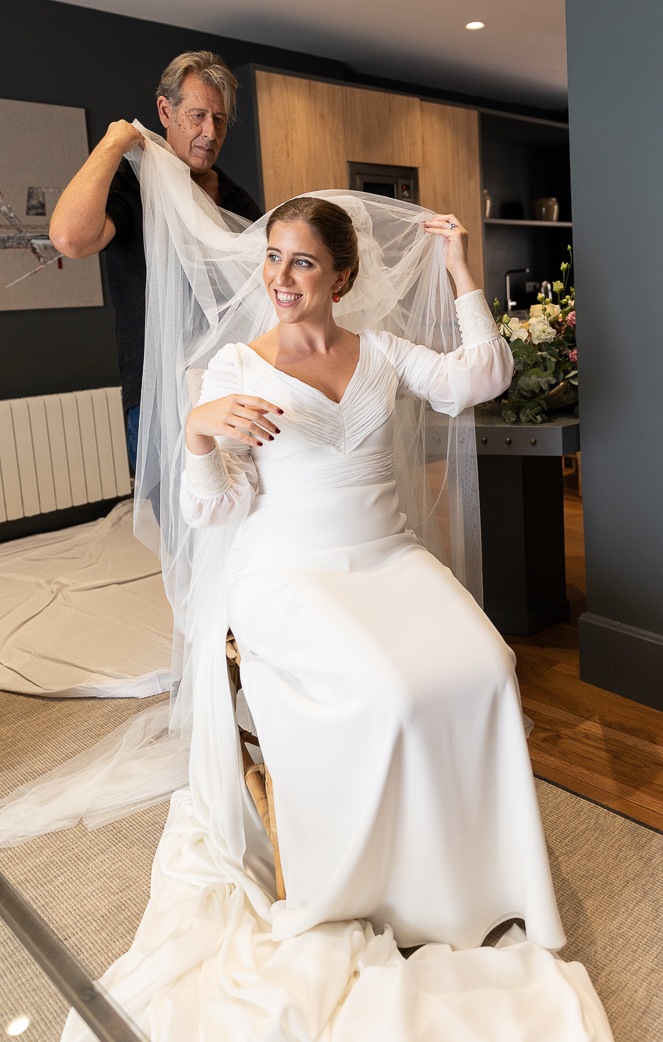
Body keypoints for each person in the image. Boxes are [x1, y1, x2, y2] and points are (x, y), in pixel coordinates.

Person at [51, 133, 612, 1039]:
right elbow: (210, 511)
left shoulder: (382, 352)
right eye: (273, 257)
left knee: (489, 668)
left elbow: (483, 376)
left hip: (390, 559)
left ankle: (476, 876)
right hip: (287, 571)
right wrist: (198, 433)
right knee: (390, 691)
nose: (279, 276)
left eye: (302, 262)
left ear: (342, 278)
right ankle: (380, 883)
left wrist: (460, 270)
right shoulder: (235, 368)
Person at [49, 51, 262, 466]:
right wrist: (113, 142)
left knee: (239, 504)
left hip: (231, 387)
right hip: (156, 395)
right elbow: (69, 239)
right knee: (172, 507)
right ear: (165, 110)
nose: (210, 132)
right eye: (198, 115)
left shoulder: (236, 200)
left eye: (220, 120)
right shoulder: (133, 187)